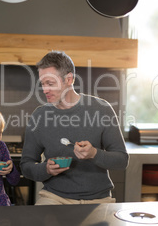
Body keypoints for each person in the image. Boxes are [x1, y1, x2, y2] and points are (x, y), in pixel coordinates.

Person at [20, 51, 129, 205]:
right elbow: (26, 166)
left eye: (50, 84)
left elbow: (122, 160)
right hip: (54, 198)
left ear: (69, 79)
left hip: (99, 199)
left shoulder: (101, 109)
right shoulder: (39, 116)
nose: (44, 90)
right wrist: (46, 169)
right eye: (43, 84)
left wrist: (94, 154)